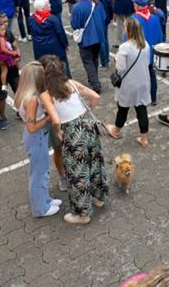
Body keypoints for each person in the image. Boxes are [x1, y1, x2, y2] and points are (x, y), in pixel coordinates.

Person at [40, 56, 108, 225]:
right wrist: (87, 112)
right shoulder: (71, 83)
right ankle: (98, 197)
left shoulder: (46, 94)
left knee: (78, 172)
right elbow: (95, 97)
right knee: (94, 162)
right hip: (87, 125)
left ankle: (82, 213)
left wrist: (58, 132)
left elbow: (55, 119)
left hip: (71, 132)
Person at [14, 61, 61, 218]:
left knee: (41, 171)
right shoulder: (32, 99)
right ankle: (40, 208)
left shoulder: (22, 94)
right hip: (37, 138)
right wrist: (48, 119)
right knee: (39, 174)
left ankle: (44, 199)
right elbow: (32, 127)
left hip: (36, 138)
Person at [107, 18, 151, 148]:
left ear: (129, 30)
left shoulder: (125, 47)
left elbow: (120, 69)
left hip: (129, 83)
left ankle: (116, 130)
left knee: (123, 108)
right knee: (141, 109)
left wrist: (116, 59)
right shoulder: (145, 45)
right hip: (142, 81)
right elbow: (147, 63)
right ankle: (144, 138)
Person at [70, 0, 106, 93]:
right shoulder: (96, 3)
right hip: (98, 36)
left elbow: (75, 24)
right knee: (94, 59)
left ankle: (96, 84)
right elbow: (104, 17)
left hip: (86, 38)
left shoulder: (77, 7)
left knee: (87, 61)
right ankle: (93, 78)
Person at [131, 0, 163, 106]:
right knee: (152, 75)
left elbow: (128, 39)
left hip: (139, 53)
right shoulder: (155, 18)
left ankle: (139, 98)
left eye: (135, 4)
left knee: (138, 77)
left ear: (138, 6)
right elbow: (160, 36)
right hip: (152, 53)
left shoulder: (134, 19)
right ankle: (153, 98)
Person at [28, 0, 70, 76]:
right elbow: (60, 32)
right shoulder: (52, 19)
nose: (50, 5)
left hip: (39, 49)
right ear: (43, 8)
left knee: (44, 69)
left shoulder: (31, 19)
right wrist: (65, 44)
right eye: (48, 4)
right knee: (62, 67)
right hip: (55, 47)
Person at [86, 0, 113, 68]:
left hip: (95, 17)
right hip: (105, 16)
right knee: (105, 38)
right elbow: (110, 4)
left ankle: (104, 61)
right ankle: (106, 59)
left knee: (100, 39)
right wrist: (110, 15)